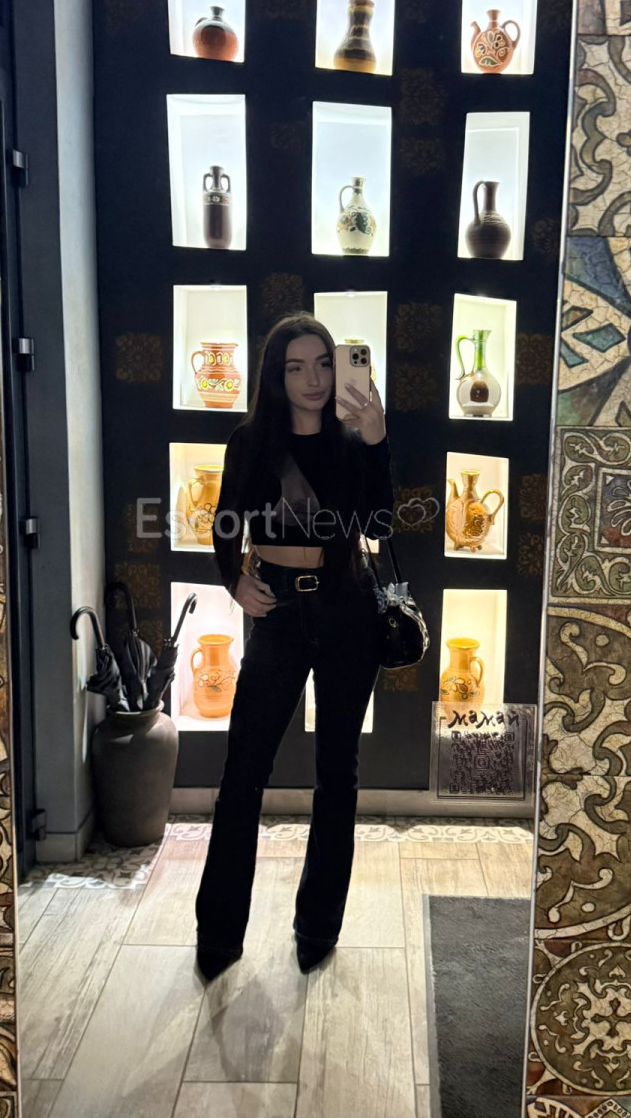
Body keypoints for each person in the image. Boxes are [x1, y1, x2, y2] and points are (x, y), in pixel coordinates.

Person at [194, 312, 394, 980]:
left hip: (346, 610)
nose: (314, 379)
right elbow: (226, 522)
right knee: (243, 772)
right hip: (278, 611)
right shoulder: (252, 441)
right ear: (276, 377)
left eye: (324, 364)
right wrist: (233, 581)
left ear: (340, 368)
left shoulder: (353, 440)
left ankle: (318, 925)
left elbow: (380, 523)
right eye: (296, 367)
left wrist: (377, 441)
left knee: (338, 772)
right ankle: (219, 933)